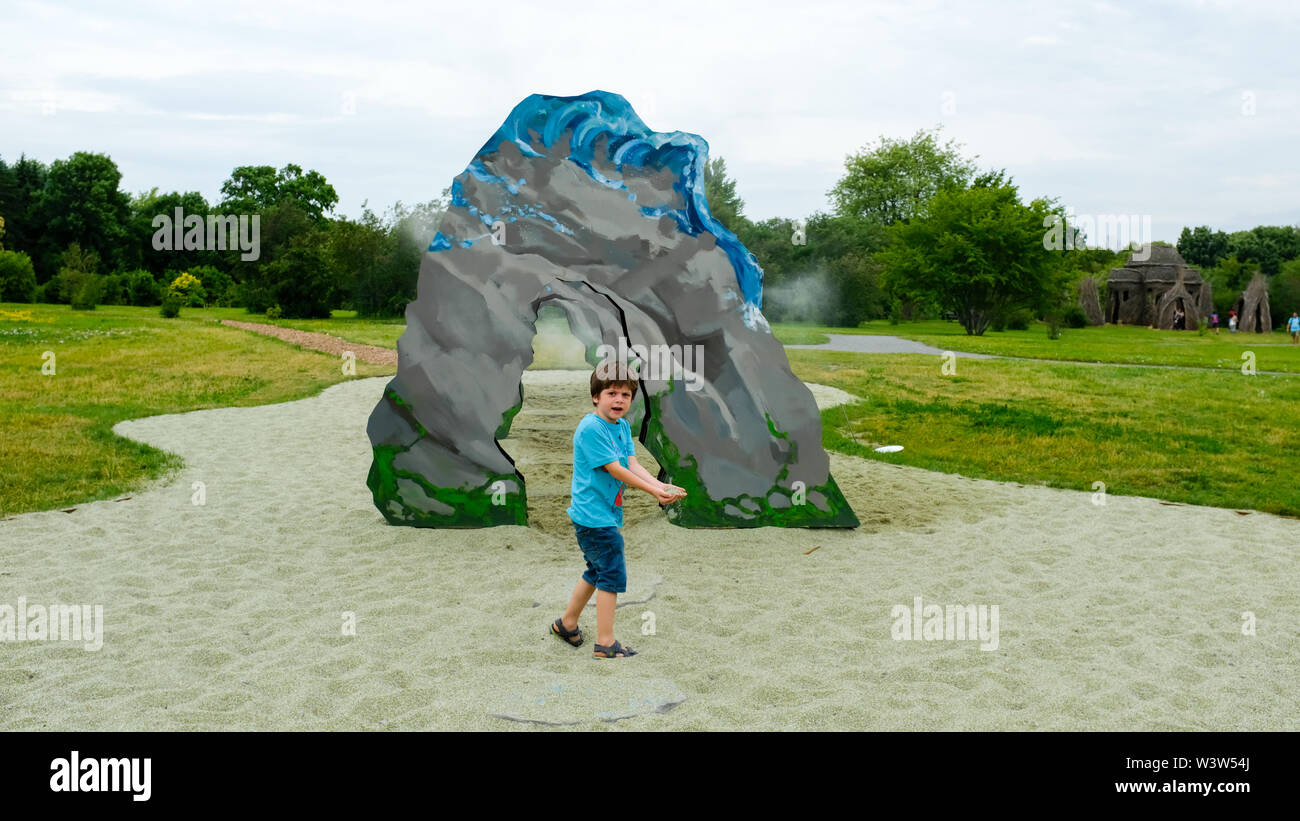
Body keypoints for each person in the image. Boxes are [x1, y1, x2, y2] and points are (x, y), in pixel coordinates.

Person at [550, 367, 685, 659]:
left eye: (626, 394)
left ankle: (567, 623)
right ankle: (606, 642)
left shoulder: (621, 427)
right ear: (596, 397)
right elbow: (615, 469)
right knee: (610, 573)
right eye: (611, 393)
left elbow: (632, 464)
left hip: (604, 515)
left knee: (596, 570)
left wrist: (661, 485)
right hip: (593, 517)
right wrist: (653, 493)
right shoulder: (591, 428)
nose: (619, 399)